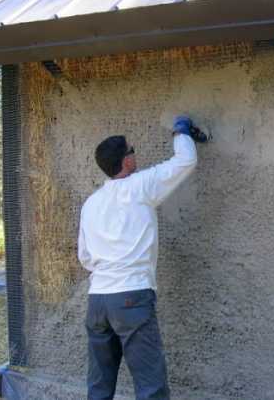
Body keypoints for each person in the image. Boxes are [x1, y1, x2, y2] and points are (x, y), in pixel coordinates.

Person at [77, 116, 201, 400]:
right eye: (132, 150)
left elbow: (85, 257)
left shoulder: (91, 203)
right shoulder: (141, 186)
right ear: (127, 161)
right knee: (150, 386)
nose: (135, 154)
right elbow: (185, 161)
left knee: (99, 386)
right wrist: (181, 132)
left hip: (97, 301)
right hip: (131, 297)